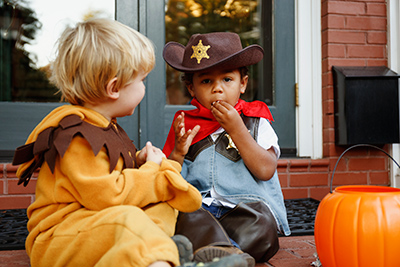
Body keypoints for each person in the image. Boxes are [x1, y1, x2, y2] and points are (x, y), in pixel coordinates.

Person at [12, 19, 247, 267]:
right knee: (129, 218)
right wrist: (152, 171)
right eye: (141, 80)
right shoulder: (76, 137)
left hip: (96, 225)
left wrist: (138, 161)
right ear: (114, 88)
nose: (144, 87)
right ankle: (163, 261)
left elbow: (107, 175)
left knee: (161, 206)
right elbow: (109, 195)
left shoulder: (104, 125)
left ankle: (161, 252)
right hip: (62, 237)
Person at [162, 32, 291, 266]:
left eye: (227, 80)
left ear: (243, 84)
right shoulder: (185, 125)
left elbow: (265, 170)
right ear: (192, 89)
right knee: (184, 215)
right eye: (206, 81)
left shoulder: (255, 121)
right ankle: (228, 255)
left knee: (262, 227)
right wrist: (179, 153)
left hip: (246, 210)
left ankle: (216, 251)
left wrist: (237, 129)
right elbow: (169, 176)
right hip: (201, 207)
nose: (217, 89)